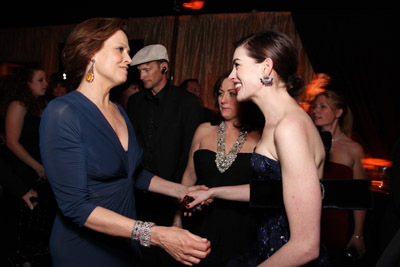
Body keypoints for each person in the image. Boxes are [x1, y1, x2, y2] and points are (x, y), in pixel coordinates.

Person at [39, 18, 210, 267]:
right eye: (120, 49)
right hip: (84, 249)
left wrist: (181, 190)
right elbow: (75, 206)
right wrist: (156, 234)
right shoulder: (63, 112)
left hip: (124, 241)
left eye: (128, 51)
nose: (129, 59)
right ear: (91, 53)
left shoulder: (119, 110)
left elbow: (131, 174)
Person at [185, 31, 330, 266]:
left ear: (266, 68)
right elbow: (274, 191)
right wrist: (212, 192)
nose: (232, 76)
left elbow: (306, 246)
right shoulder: (277, 123)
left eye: (237, 65)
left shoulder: (289, 127)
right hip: (268, 249)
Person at [174, 71, 263, 266]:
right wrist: (178, 217)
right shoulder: (203, 130)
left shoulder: (261, 137)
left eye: (231, 94)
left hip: (242, 229)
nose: (223, 99)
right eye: (220, 93)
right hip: (200, 225)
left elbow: (267, 190)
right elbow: (189, 177)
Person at [127, 44, 204, 266]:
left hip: (171, 198)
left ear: (164, 67)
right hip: (138, 196)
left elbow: (190, 155)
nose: (141, 76)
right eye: (138, 71)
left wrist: (179, 208)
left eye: (146, 69)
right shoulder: (135, 102)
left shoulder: (187, 102)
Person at [0, 65, 56, 266]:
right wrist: (38, 167)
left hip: (37, 170)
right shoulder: (18, 105)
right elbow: (12, 142)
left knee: (37, 225)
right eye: (40, 80)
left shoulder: (40, 105)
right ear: (27, 83)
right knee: (19, 227)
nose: (45, 84)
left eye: (45, 79)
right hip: (21, 172)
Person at [310, 89, 366, 266]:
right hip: (308, 218)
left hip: (336, 224)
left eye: (323, 106)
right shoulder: (307, 141)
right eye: (315, 106)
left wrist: (358, 234)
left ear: (338, 112)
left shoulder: (354, 149)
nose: (315, 111)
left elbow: (360, 196)